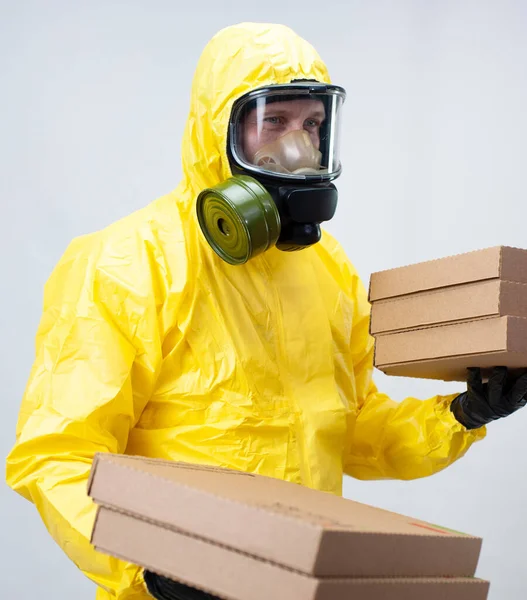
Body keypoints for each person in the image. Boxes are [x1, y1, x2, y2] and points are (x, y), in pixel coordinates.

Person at [5, 21, 527, 600]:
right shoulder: (129, 264)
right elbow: (56, 456)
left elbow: (351, 432)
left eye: (313, 124)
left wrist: (461, 414)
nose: (298, 147)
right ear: (219, 129)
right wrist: (152, 572)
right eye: (274, 121)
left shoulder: (328, 271)